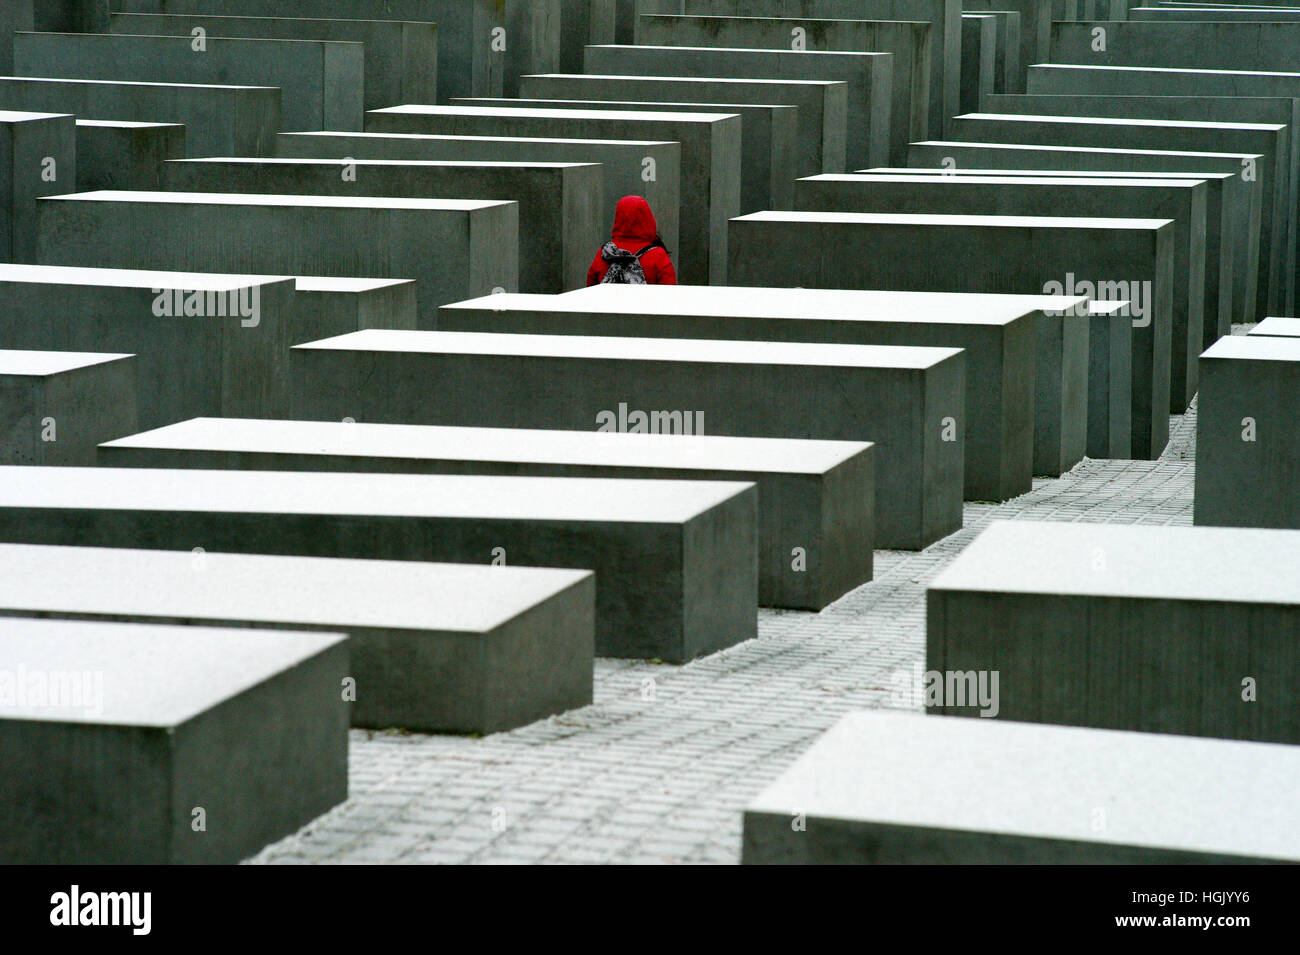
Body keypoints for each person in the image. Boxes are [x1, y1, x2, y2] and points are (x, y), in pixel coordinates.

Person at [586, 195, 677, 286]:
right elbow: (669, 294)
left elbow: (590, 290)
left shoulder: (604, 253)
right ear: (648, 217)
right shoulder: (658, 256)